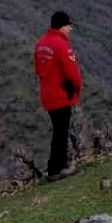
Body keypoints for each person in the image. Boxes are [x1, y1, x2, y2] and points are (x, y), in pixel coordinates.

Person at [34, 11, 83, 181]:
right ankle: (56, 169)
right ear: (62, 26)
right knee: (61, 132)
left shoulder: (41, 44)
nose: (70, 29)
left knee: (58, 131)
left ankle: (57, 165)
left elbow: (38, 70)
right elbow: (74, 74)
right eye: (69, 26)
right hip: (61, 95)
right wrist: (76, 89)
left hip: (47, 94)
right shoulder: (62, 45)